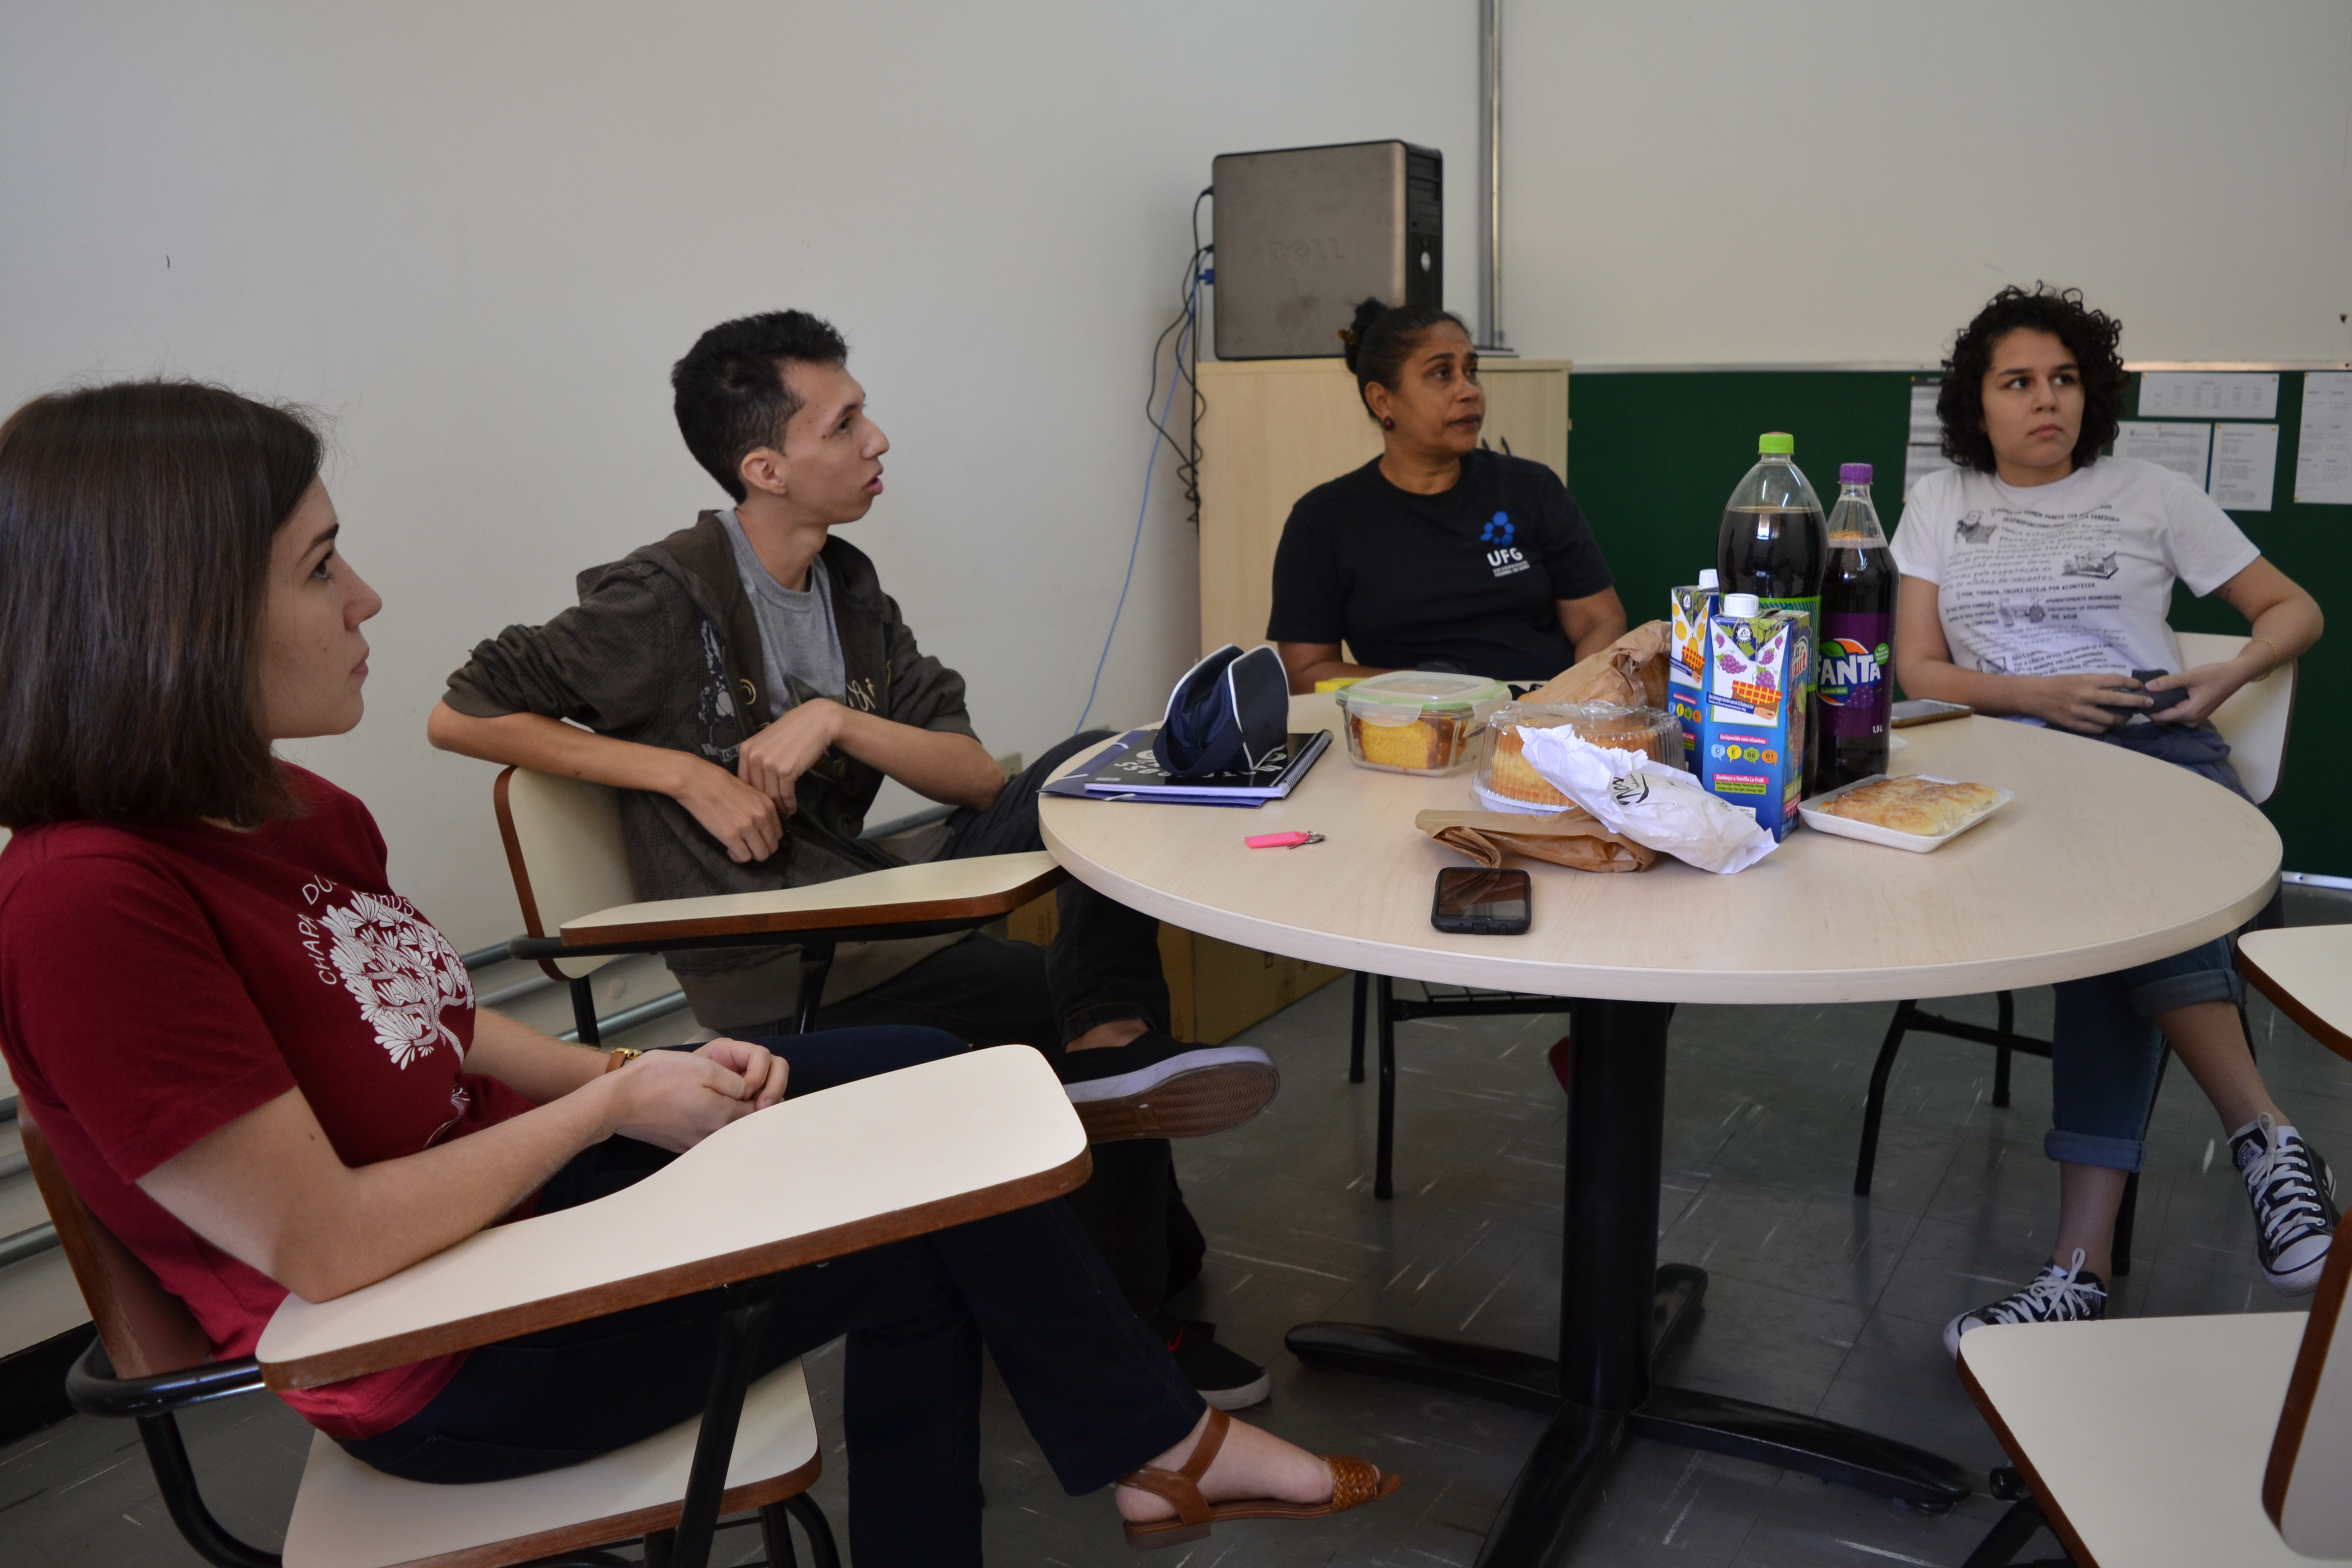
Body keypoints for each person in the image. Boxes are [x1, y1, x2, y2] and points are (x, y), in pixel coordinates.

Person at [0, 380, 1401, 1565]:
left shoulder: (287, 808)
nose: (367, 597)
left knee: (954, 1091)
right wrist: (613, 1112)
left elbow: (437, 1025)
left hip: (512, 1205)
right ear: (165, 617)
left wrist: (632, 1076)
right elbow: (325, 1251)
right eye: (319, 569)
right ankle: (1160, 1440)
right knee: (932, 1214)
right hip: (438, 1348)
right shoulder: (87, 906)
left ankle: (1148, 1414)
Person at [425, 312, 1276, 1407]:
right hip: (776, 955)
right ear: (766, 467)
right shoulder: (661, 598)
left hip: (866, 906)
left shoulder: (854, 590)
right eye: (848, 421)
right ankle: (1135, 1305)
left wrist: (835, 717)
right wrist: (679, 773)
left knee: (1089, 767)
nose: (879, 440)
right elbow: (460, 712)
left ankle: (1111, 1055)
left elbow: (971, 775)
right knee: (1032, 999)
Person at [1888, 285, 2335, 1357]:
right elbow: (1918, 666)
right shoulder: (1941, 502)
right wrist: (2035, 697)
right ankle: (2268, 1136)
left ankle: (2077, 1272)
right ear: (1977, 405)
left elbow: (2297, 609)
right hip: (2018, 763)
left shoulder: (2153, 492)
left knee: (2110, 926)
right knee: (2115, 918)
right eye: (2018, 383)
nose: (2047, 401)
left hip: (2154, 750)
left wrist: (2225, 675)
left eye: (2064, 378)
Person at [1266, 298, 1626, 693]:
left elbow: (1599, 621)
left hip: (1542, 722)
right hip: (1412, 728)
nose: (1468, 390)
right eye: (1442, 374)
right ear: (1382, 399)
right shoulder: (1322, 521)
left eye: (1471, 372)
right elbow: (1306, 671)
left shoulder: (1531, 488)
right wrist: (1442, 691)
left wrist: (1570, 703)